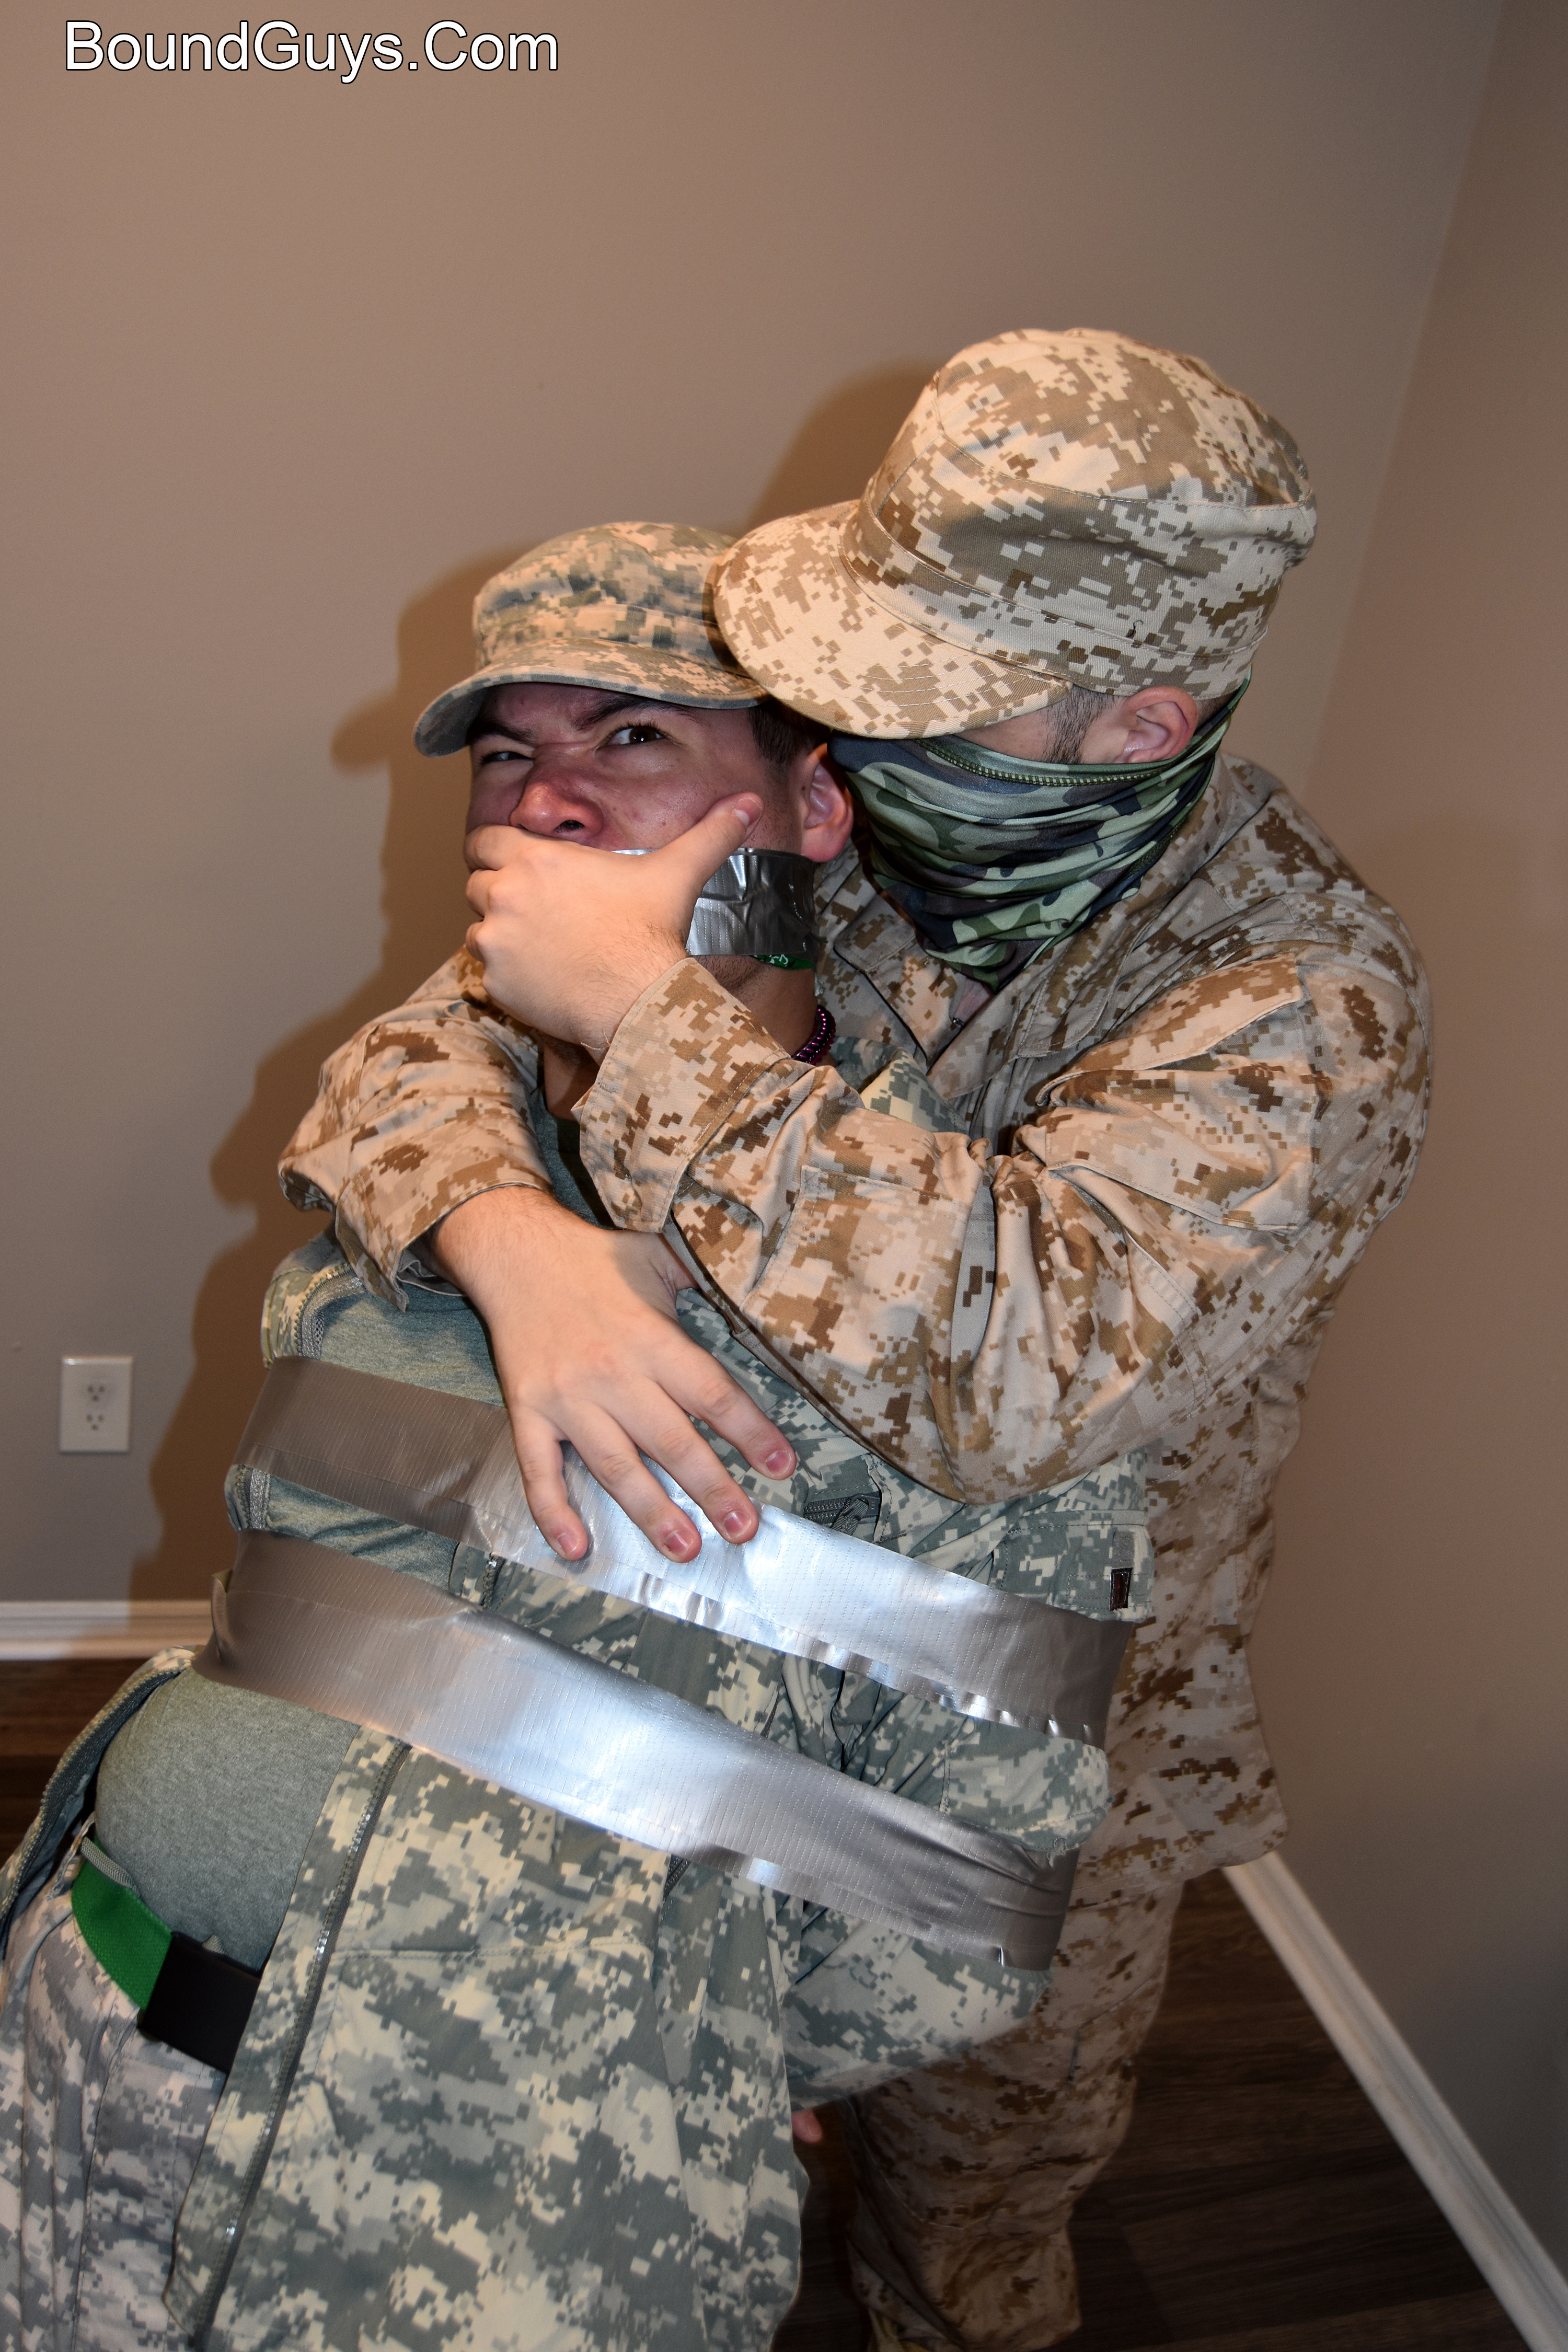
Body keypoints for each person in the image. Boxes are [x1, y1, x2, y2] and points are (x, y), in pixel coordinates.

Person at [286, 332, 1432, 2352]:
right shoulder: (868, 839)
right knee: (666, 2098)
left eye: (926, 697)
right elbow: (425, 1051)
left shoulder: (1299, 1005)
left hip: (1034, 1742)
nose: (860, 734)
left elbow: (1019, 1371)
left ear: (1139, 722)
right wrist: (516, 1242)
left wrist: (648, 1026)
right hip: (722, 1653)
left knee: (974, 2197)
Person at [0, 522, 1149, 2352]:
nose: (546, 798)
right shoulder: (414, 1147)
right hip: (86, 2055)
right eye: (507, 753)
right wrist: (509, 1237)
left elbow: (973, 1884)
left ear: (816, 807)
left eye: (633, 738)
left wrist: (686, 2046)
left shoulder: (945, 1293)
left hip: (469, 2212)